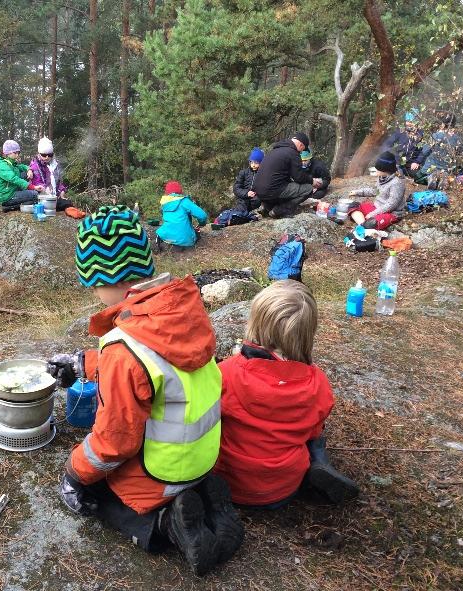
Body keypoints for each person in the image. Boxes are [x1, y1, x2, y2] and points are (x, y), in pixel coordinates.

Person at [47, 205, 244, 575]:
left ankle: (167, 526)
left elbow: (115, 443)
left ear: (105, 278)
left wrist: (74, 472)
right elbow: (152, 363)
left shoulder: (123, 349)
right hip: (204, 456)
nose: (93, 291)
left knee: (99, 494)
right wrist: (85, 363)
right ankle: (203, 497)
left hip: (161, 472)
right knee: (144, 473)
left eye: (93, 283)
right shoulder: (184, 309)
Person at [213, 280, 360, 508]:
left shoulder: (225, 373)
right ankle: (319, 464)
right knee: (316, 436)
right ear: (307, 332)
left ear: (256, 323)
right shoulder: (317, 382)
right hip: (284, 488)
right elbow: (313, 429)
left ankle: (317, 467)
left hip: (229, 485)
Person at [252, 132, 322, 218]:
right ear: (301, 145)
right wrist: (312, 181)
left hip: (258, 191)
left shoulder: (275, 150)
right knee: (308, 189)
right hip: (272, 190)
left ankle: (267, 207)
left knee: (285, 188)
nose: (301, 152)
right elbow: (299, 177)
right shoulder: (293, 153)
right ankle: (279, 210)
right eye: (303, 149)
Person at [347, 151, 406, 231]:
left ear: (385, 170)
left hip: (391, 213)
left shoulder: (397, 183)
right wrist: (357, 192)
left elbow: (391, 205)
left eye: (378, 169)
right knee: (352, 206)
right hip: (377, 207)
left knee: (373, 223)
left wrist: (372, 214)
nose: (376, 170)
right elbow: (375, 191)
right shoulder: (382, 178)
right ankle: (363, 225)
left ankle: (365, 225)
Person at [415, 112, 463, 190]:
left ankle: (430, 178)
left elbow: (425, 151)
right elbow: (460, 155)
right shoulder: (458, 139)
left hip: (431, 168)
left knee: (417, 178)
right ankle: (444, 177)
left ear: (443, 124)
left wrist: (417, 161)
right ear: (454, 125)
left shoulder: (436, 136)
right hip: (448, 169)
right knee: (448, 174)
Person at [0, 140, 44, 209]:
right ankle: (9, 206)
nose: (17, 155)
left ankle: (20, 202)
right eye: (15, 153)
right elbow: (15, 179)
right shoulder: (2, 166)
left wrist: (29, 170)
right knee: (35, 194)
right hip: (6, 196)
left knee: (24, 173)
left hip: (11, 190)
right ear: (7, 153)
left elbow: (21, 166)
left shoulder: (10, 162)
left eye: (18, 152)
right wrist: (33, 187)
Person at [154, 181, 208, 249]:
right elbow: (202, 215)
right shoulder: (184, 201)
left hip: (166, 237)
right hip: (185, 240)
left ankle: (163, 239)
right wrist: (202, 224)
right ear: (180, 191)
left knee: (165, 229)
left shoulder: (164, 203)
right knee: (196, 234)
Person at [29, 137, 74, 211]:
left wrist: (62, 191)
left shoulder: (55, 164)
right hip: (40, 196)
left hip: (54, 196)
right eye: (44, 155)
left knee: (68, 203)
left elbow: (59, 181)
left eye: (49, 155)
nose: (47, 157)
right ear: (39, 154)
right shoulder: (35, 166)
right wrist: (45, 189)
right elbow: (36, 182)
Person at [380, 109, 427, 179]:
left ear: (417, 122)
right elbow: (387, 144)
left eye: (411, 122)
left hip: (411, 163)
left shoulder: (421, 133)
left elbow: (423, 150)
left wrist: (417, 162)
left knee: (418, 176)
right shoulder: (400, 131)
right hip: (398, 162)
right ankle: (398, 171)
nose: (409, 124)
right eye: (407, 121)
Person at [232, 148, 264, 213]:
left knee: (258, 200)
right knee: (241, 205)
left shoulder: (263, 173)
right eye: (251, 162)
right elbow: (236, 188)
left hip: (257, 200)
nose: (253, 165)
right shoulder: (243, 173)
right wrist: (246, 193)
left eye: (256, 162)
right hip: (244, 199)